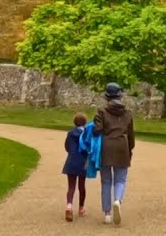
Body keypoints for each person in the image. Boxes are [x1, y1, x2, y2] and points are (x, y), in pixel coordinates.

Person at [93, 82, 135, 225]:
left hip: (106, 146)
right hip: (122, 146)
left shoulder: (101, 112)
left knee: (106, 181)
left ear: (107, 96)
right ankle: (117, 200)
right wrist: (130, 149)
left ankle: (107, 214)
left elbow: (97, 130)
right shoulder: (128, 113)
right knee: (120, 180)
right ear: (119, 96)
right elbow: (131, 135)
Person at [61, 112, 89, 222]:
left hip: (71, 161)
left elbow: (67, 147)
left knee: (71, 186)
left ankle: (69, 206)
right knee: (82, 186)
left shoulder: (70, 133)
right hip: (82, 162)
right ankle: (81, 208)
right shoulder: (86, 134)